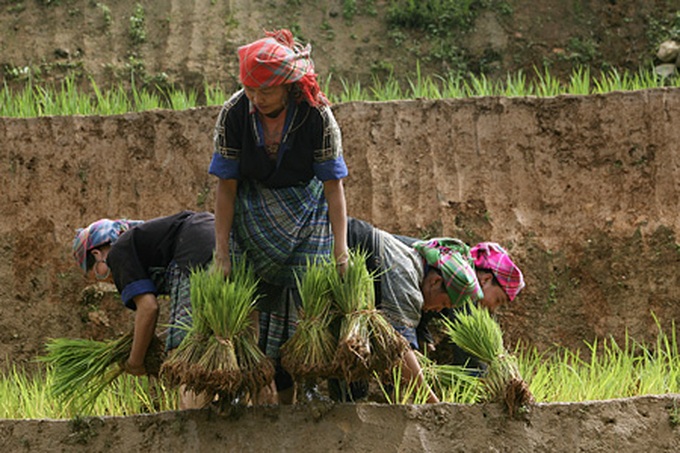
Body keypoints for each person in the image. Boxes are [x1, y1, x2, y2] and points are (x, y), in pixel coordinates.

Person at [208, 29, 349, 404]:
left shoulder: (317, 115)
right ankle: (242, 378)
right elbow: (225, 186)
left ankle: (311, 383)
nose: (256, 98)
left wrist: (342, 248)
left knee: (311, 299)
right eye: (250, 89)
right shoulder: (234, 113)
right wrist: (221, 250)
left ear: (288, 85)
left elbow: (334, 187)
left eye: (265, 91)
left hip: (306, 208)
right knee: (243, 296)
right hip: (251, 209)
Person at [330, 217, 526, 403]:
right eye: (498, 300)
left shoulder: (438, 271)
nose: (493, 309)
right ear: (485, 280)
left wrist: (424, 344)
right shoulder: (441, 280)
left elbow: (417, 314)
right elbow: (401, 349)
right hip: (333, 244)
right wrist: (434, 401)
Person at [72, 210, 216, 409]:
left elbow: (148, 308)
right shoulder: (142, 243)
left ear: (97, 254)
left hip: (195, 251)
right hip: (225, 241)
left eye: (97, 273)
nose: (108, 279)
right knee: (216, 342)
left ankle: (194, 422)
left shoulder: (117, 251)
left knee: (185, 355)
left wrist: (135, 361)